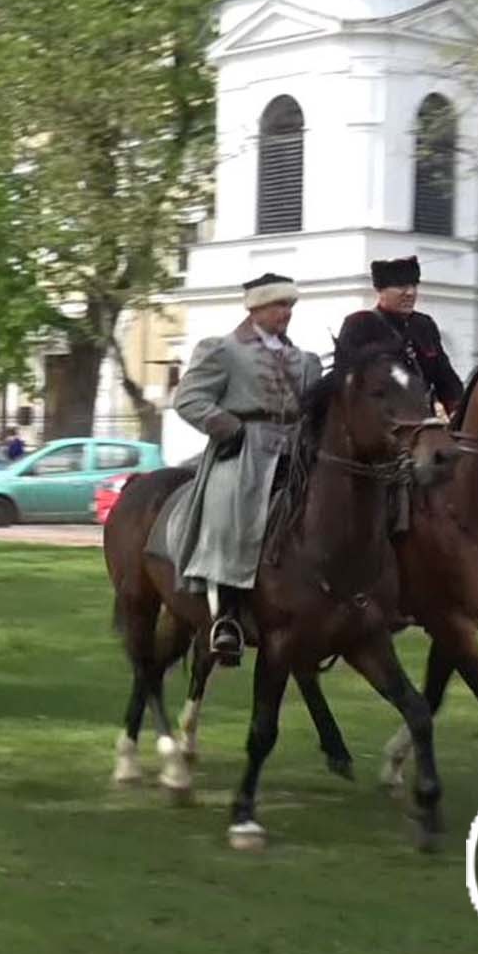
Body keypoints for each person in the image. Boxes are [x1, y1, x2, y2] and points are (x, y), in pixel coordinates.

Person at [166, 271, 321, 666]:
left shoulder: (304, 360)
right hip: (243, 451)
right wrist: (227, 426)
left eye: (290, 305)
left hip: (295, 451)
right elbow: (188, 399)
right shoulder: (223, 350)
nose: (286, 312)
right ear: (256, 308)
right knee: (229, 513)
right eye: (279, 304)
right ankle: (227, 616)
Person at [337, 256, 464, 417]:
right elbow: (345, 382)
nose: (410, 293)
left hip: (422, 419)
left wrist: (457, 412)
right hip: (381, 421)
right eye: (401, 286)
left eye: (413, 285)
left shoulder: (424, 325)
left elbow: (445, 378)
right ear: (381, 290)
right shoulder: (359, 324)